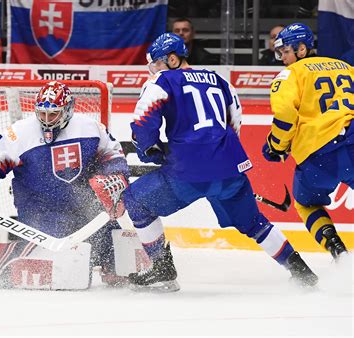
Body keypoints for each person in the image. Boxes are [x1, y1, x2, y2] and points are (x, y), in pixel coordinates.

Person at [119, 33, 319, 291]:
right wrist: (217, 154)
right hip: (230, 167)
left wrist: (149, 150)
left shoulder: (162, 80)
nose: (153, 70)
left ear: (172, 59)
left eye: (157, 63)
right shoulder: (219, 79)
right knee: (254, 223)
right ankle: (302, 272)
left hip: (187, 171)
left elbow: (143, 122)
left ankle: (162, 269)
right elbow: (235, 121)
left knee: (135, 201)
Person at [0, 81, 130, 287]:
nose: (46, 121)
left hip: (83, 208)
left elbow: (113, 155)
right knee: (52, 257)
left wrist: (115, 175)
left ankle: (113, 270)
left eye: (53, 114)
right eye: (42, 114)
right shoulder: (19, 133)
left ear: (67, 110)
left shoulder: (91, 128)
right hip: (40, 212)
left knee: (114, 243)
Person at [263, 23, 353, 261]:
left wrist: (276, 146)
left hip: (320, 153)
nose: (282, 58)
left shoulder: (290, 74)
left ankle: (339, 252)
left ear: (302, 49)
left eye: (285, 52)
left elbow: (285, 114)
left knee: (306, 203)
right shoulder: (345, 67)